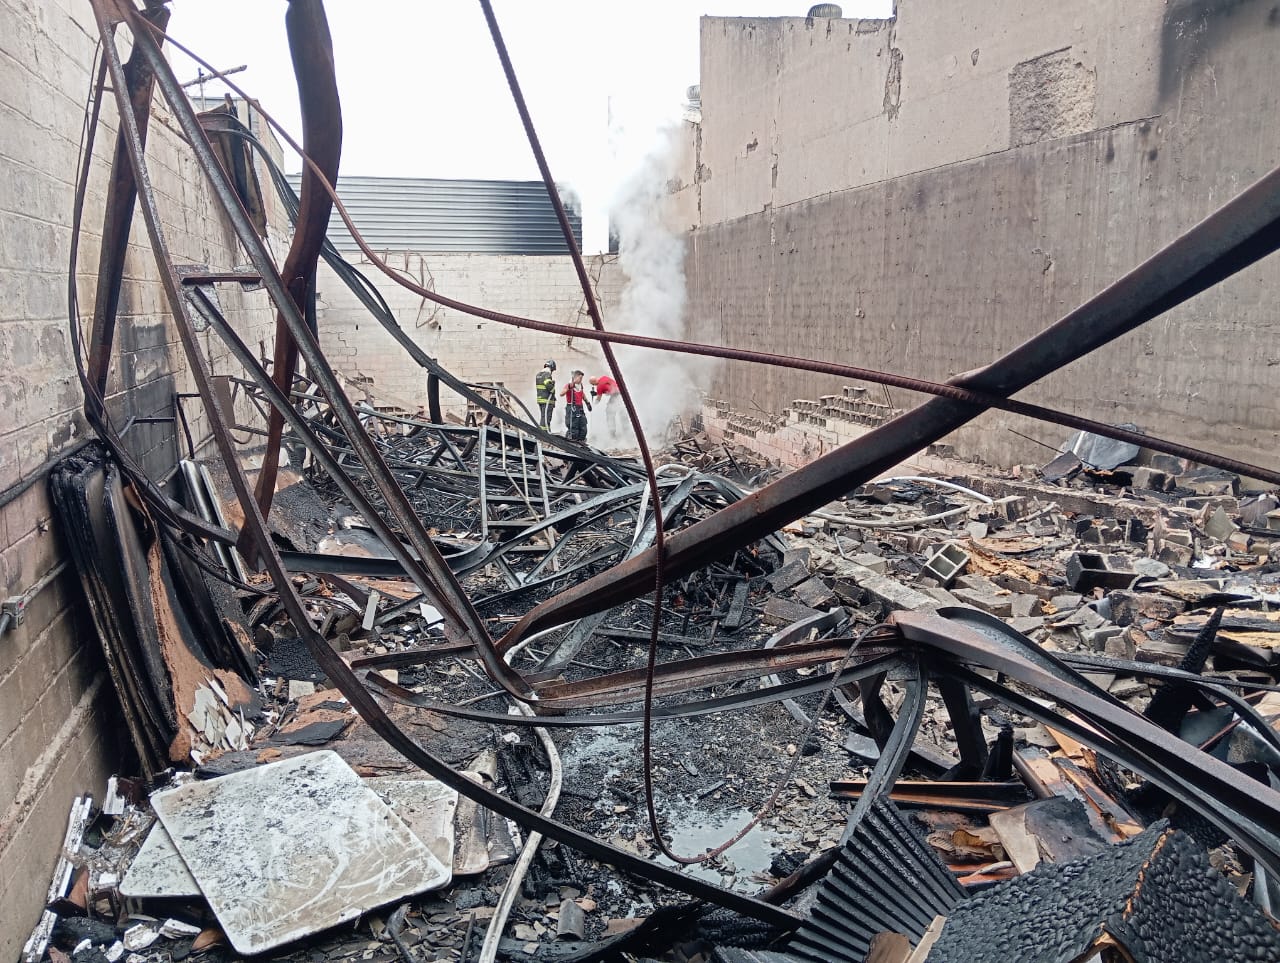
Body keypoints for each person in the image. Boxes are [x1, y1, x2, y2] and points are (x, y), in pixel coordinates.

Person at [559, 369, 591, 442]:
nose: (581, 380)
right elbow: (561, 394)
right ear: (575, 377)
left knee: (583, 426)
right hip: (572, 408)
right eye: (580, 378)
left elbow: (582, 394)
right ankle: (571, 441)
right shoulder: (569, 385)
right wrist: (569, 386)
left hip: (580, 408)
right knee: (574, 426)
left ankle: (581, 440)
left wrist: (587, 402)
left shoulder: (580, 386)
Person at [535, 359, 557, 430]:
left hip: (540, 400)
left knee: (543, 417)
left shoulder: (538, 375)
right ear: (551, 367)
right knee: (546, 419)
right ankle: (544, 433)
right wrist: (553, 388)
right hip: (547, 400)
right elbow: (548, 385)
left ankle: (545, 431)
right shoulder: (547, 374)